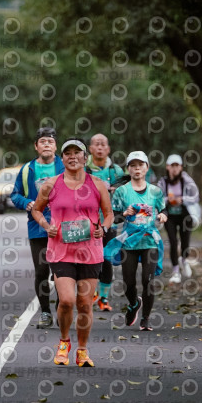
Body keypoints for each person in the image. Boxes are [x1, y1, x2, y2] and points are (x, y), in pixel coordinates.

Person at [32, 138, 114, 367]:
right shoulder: (51, 184)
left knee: (85, 304)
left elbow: (108, 214)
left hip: (90, 252)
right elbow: (37, 210)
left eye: (77, 152)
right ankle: (64, 342)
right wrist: (47, 226)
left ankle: (82, 350)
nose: (72, 156)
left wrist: (104, 228)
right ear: (63, 158)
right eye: (67, 153)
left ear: (84, 157)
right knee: (67, 301)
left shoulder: (97, 184)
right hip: (61, 250)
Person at [11, 127, 65, 329]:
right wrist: (27, 203)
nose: (46, 145)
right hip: (37, 228)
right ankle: (45, 312)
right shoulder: (27, 170)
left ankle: (62, 309)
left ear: (55, 146)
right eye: (42, 142)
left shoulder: (65, 166)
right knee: (42, 271)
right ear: (36, 146)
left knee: (62, 271)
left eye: (50, 142)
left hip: (63, 228)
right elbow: (15, 195)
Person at [108, 151, 167, 331]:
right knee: (129, 282)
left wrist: (164, 215)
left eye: (140, 165)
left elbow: (165, 209)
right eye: (133, 165)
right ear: (129, 169)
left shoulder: (155, 191)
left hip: (149, 241)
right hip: (129, 242)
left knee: (148, 281)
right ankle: (134, 303)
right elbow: (114, 217)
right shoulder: (122, 192)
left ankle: (146, 319)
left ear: (146, 168)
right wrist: (124, 214)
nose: (137, 169)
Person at [85, 133, 124, 311]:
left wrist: (117, 191)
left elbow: (126, 193)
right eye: (96, 144)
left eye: (103, 144)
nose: (100, 148)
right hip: (86, 223)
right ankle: (91, 293)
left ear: (108, 149)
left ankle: (104, 298)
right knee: (89, 260)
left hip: (109, 222)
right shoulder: (84, 170)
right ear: (90, 149)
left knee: (106, 259)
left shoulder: (116, 171)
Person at [157, 154, 201, 284]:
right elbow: (157, 198)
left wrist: (182, 199)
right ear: (168, 167)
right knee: (173, 241)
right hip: (169, 216)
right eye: (172, 166)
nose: (175, 169)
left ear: (181, 167)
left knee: (185, 241)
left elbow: (196, 197)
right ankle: (175, 271)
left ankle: (184, 260)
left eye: (177, 166)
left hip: (184, 215)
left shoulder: (186, 180)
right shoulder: (163, 182)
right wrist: (168, 200)